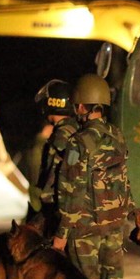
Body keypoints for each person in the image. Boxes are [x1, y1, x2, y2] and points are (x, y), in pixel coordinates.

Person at [52, 74, 134, 279]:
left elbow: (70, 190)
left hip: (85, 228)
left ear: (82, 107)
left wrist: (61, 234)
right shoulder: (117, 135)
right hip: (114, 224)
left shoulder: (79, 142)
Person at [27, 79, 79, 237]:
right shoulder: (76, 130)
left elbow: (48, 186)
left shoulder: (59, 137)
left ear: (52, 103)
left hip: (58, 216)